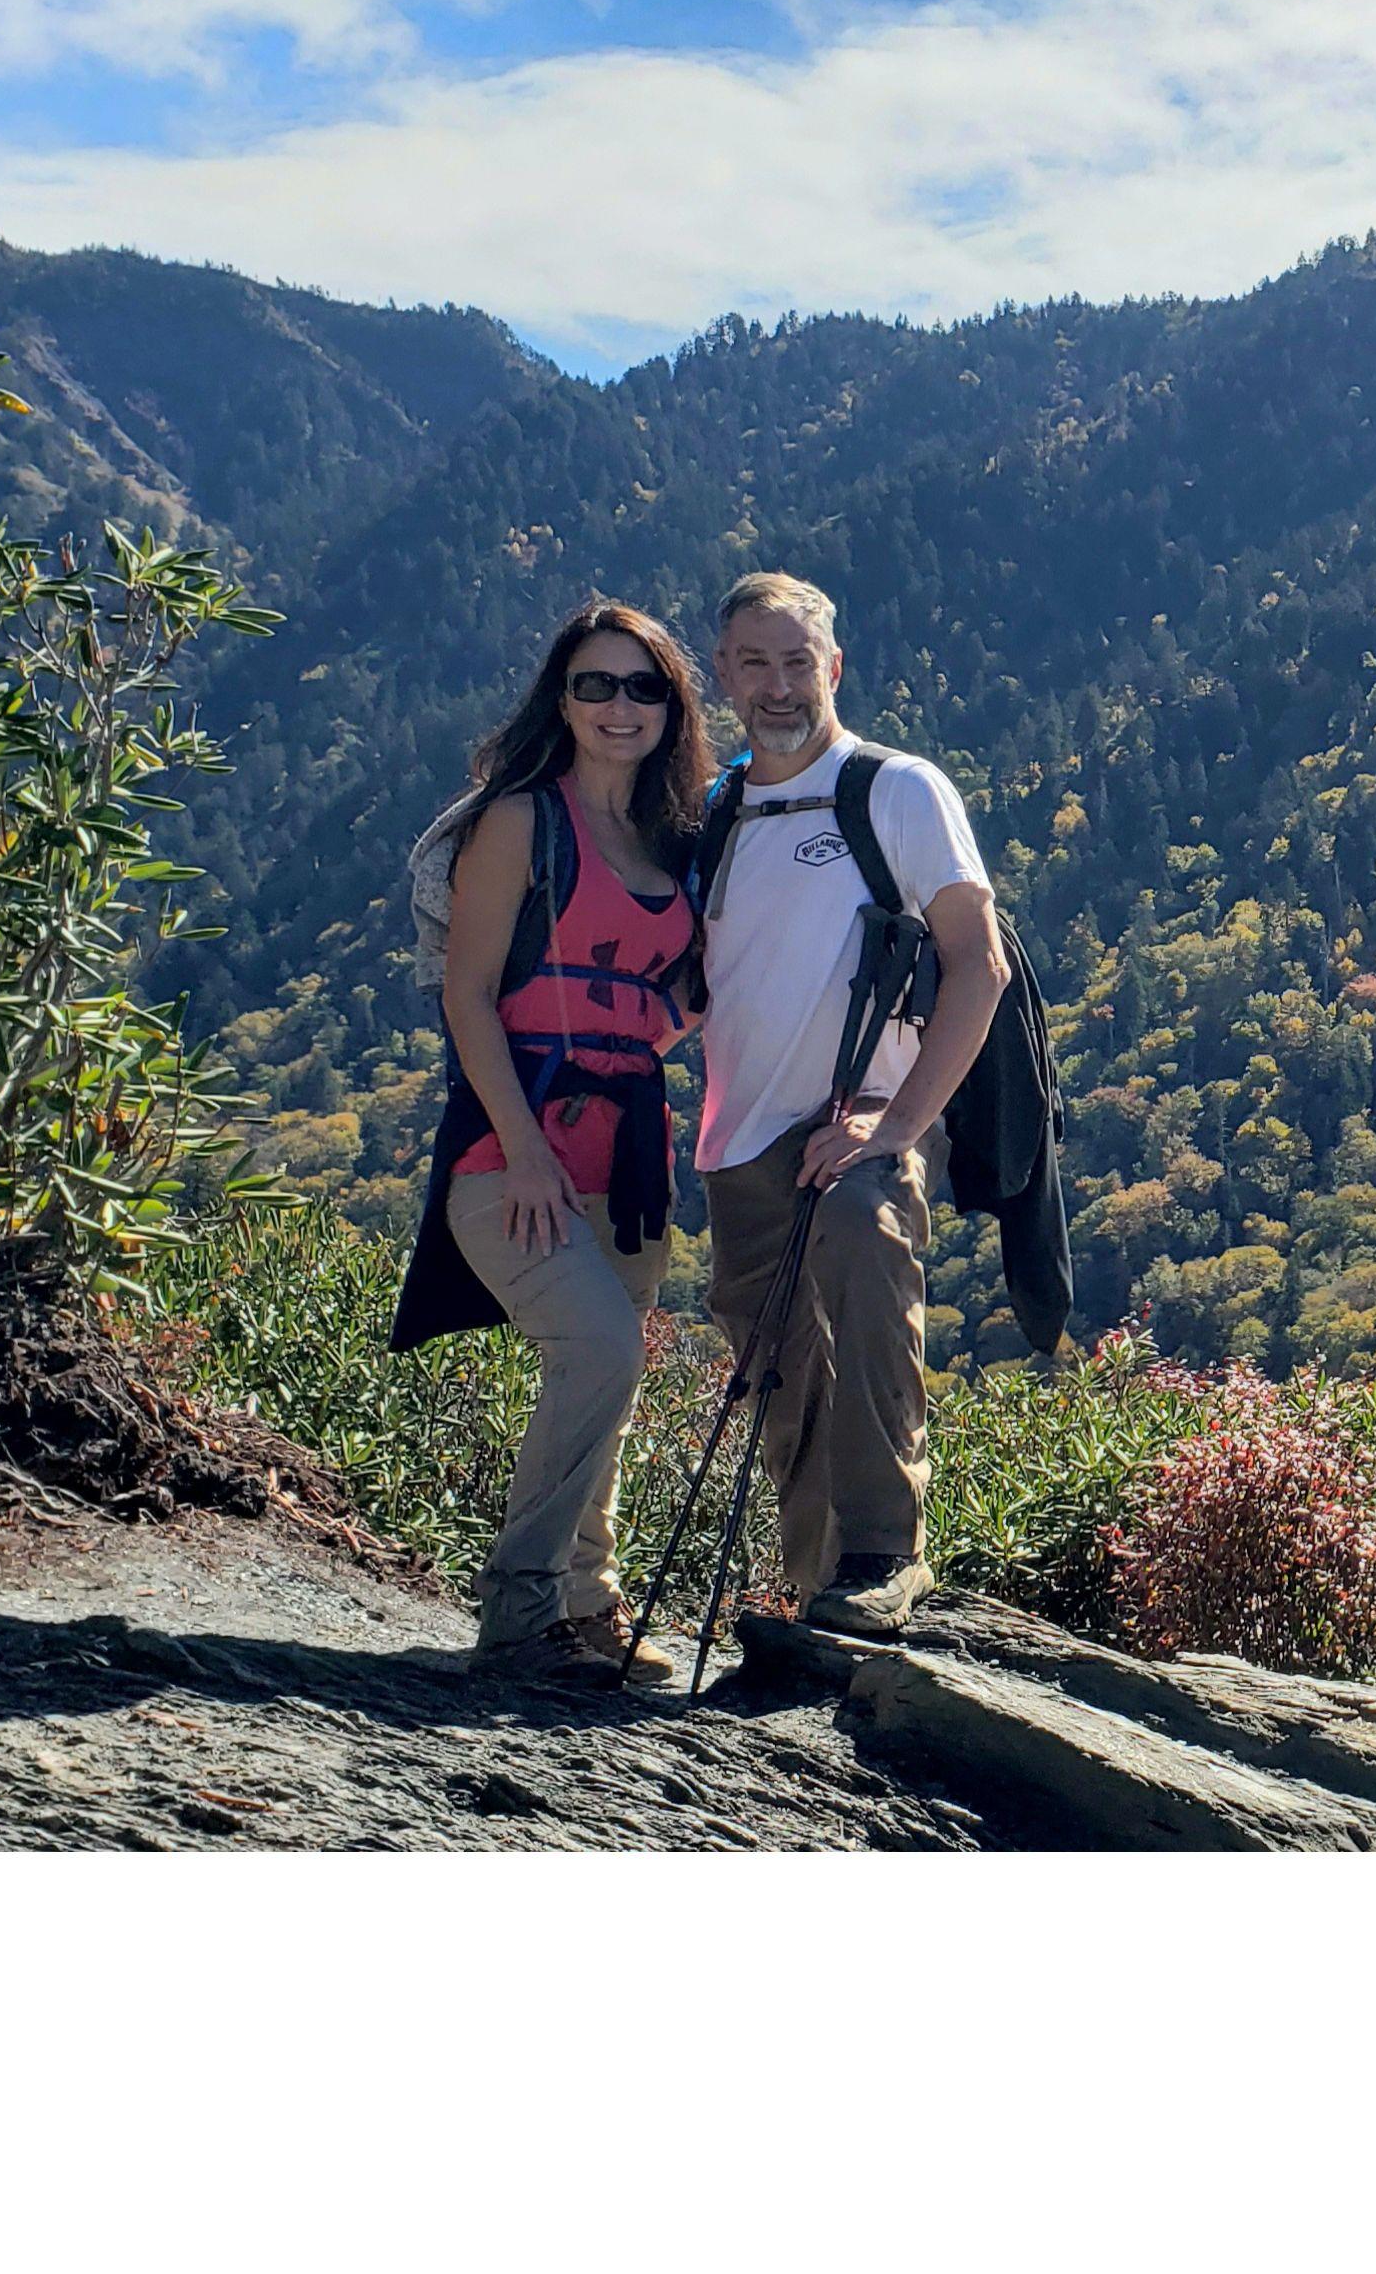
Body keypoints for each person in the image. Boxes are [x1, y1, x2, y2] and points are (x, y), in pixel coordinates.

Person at [391, 600, 715, 1676]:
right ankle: (520, 1609)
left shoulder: (674, 840)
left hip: (626, 1160)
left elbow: (672, 997)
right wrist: (523, 1148)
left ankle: (590, 1607)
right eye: (595, 684)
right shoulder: (523, 821)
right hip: (512, 1153)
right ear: (561, 700)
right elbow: (469, 995)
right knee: (603, 1351)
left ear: (672, 705)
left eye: (643, 686)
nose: (619, 706)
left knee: (606, 1383)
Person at [691, 569, 1006, 1638]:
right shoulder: (717, 809)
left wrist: (900, 1123)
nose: (778, 686)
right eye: (754, 663)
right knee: (778, 1377)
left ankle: (882, 1557)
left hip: (859, 1118)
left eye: (797, 661)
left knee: (867, 1276)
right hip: (738, 1140)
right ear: (723, 674)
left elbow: (979, 964)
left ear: (834, 665)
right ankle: (818, 1591)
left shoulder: (895, 790)